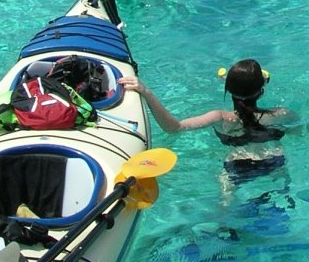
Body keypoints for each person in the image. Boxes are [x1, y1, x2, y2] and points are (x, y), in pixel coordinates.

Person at [121, 60, 296, 179]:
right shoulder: (281, 114)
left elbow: (174, 127)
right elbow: (300, 132)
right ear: (261, 89)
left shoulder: (220, 118)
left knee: (226, 211)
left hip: (237, 164)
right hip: (274, 160)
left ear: (228, 89)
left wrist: (147, 93)